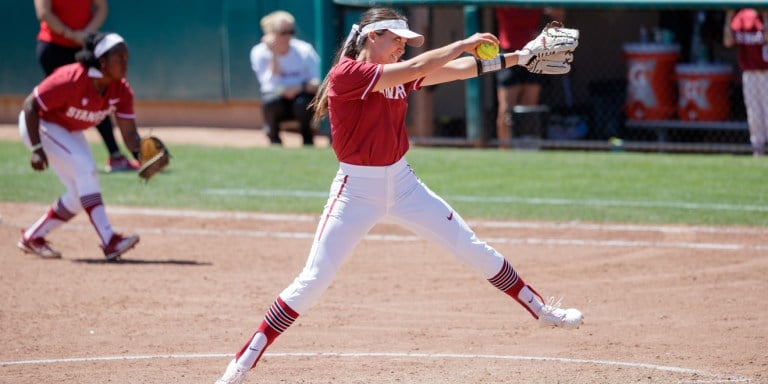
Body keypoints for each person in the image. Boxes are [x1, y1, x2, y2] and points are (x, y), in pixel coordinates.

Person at [214, 7, 582, 384]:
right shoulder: (349, 73)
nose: (401, 48)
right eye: (396, 40)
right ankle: (241, 365)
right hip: (355, 191)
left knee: (472, 248)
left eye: (405, 43)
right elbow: (420, 66)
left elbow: (451, 71)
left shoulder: (395, 74)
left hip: (403, 183)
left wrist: (519, 57)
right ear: (373, 37)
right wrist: (462, 43)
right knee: (313, 281)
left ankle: (542, 312)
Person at [16, 32, 140, 261]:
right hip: (39, 125)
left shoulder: (120, 90)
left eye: (126, 57)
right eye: (119, 57)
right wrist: (36, 149)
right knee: (86, 169)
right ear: (102, 61)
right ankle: (110, 241)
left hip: (66, 130)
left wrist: (144, 154)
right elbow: (30, 106)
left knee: (78, 194)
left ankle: (33, 237)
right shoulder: (72, 78)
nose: (125, 63)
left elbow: (129, 133)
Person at [34, 0, 139, 172]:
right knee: (61, 100)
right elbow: (44, 13)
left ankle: (115, 155)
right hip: (54, 45)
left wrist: (86, 34)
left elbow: (101, 8)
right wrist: (70, 34)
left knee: (99, 99)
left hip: (85, 46)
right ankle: (53, 148)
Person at [494, 6, 565, 148]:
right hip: (508, 54)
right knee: (506, 109)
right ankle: (504, 151)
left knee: (530, 106)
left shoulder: (535, 4)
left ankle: (525, 148)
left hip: (532, 54)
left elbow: (559, 16)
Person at [249, 10, 321, 146]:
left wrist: (300, 88)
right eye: (283, 33)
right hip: (278, 99)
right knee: (270, 102)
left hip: (301, 96)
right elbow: (269, 86)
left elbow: (317, 82)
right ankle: (274, 139)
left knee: (303, 103)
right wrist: (274, 54)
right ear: (270, 34)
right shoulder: (259, 52)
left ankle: (308, 139)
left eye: (291, 32)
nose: (288, 37)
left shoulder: (304, 50)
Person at [723, 8, 768, 157]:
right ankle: (758, 149)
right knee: (754, 114)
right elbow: (728, 41)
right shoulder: (743, 16)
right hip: (750, 73)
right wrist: (729, 15)